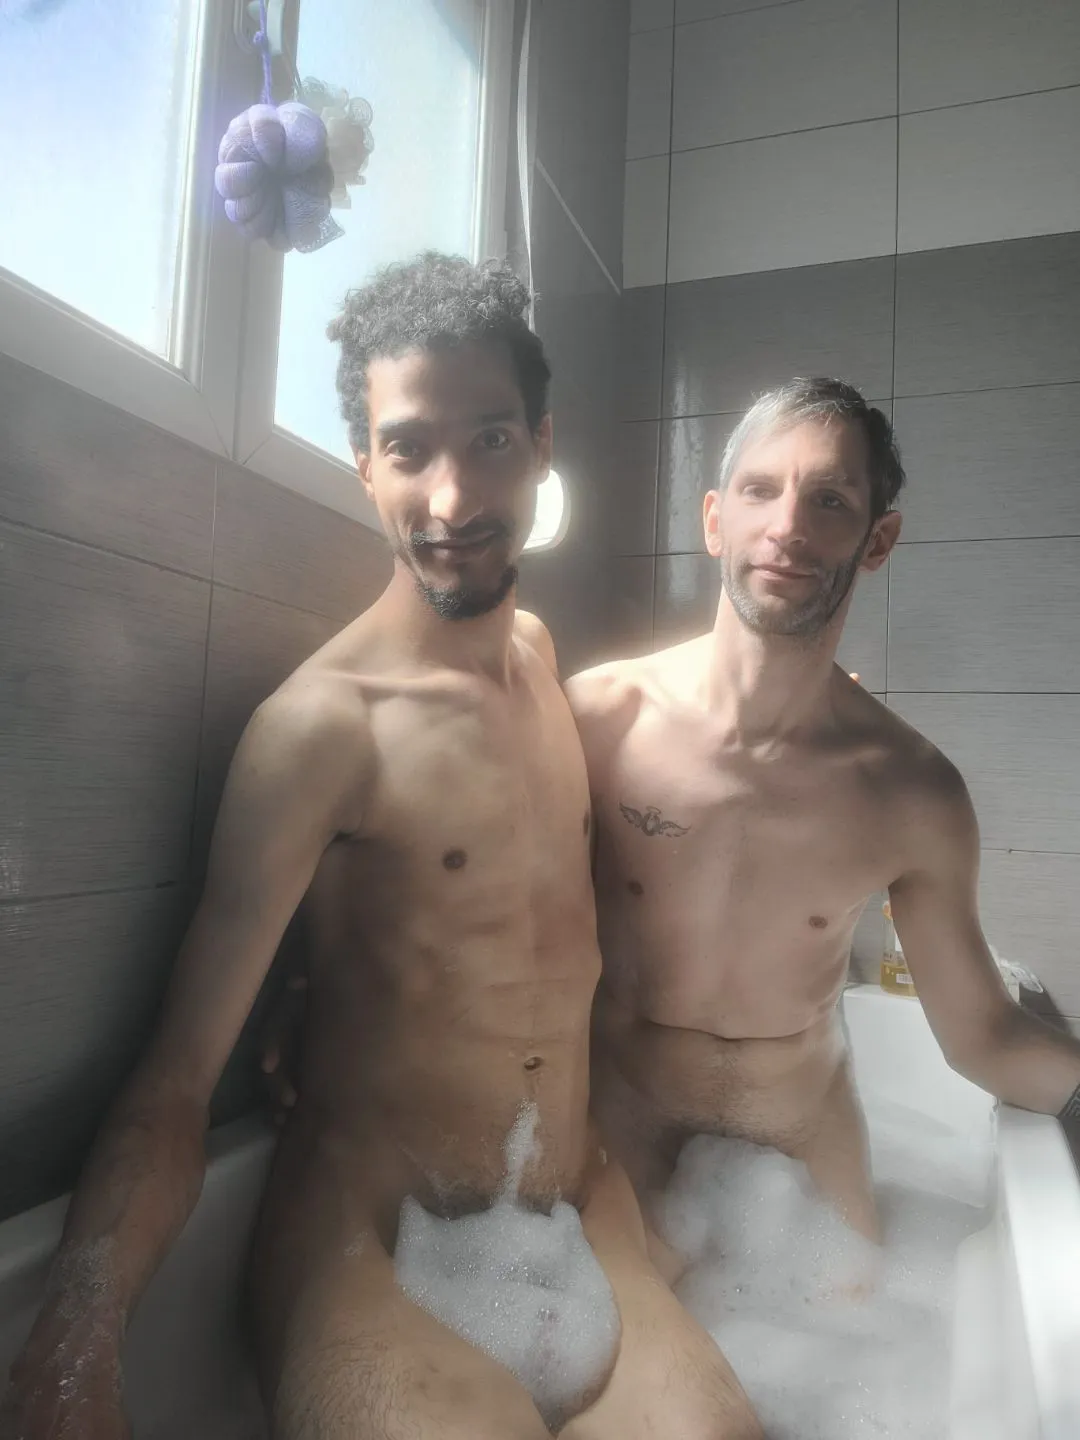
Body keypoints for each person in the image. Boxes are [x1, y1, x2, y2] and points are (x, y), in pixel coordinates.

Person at [0, 254, 763, 1440]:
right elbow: (176, 1080)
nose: (451, 499)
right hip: (375, 1247)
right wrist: (75, 1342)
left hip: (574, 1214)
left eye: (490, 440)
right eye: (409, 448)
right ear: (365, 465)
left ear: (542, 447)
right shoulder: (321, 730)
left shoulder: (540, 661)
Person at [565, 377, 1080, 1257]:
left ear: (878, 540)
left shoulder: (912, 792)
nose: (788, 526)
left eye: (829, 499)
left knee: (859, 1327)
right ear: (715, 519)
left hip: (804, 1145)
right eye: (761, 490)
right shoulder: (599, 722)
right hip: (627, 1121)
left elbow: (984, 1035)